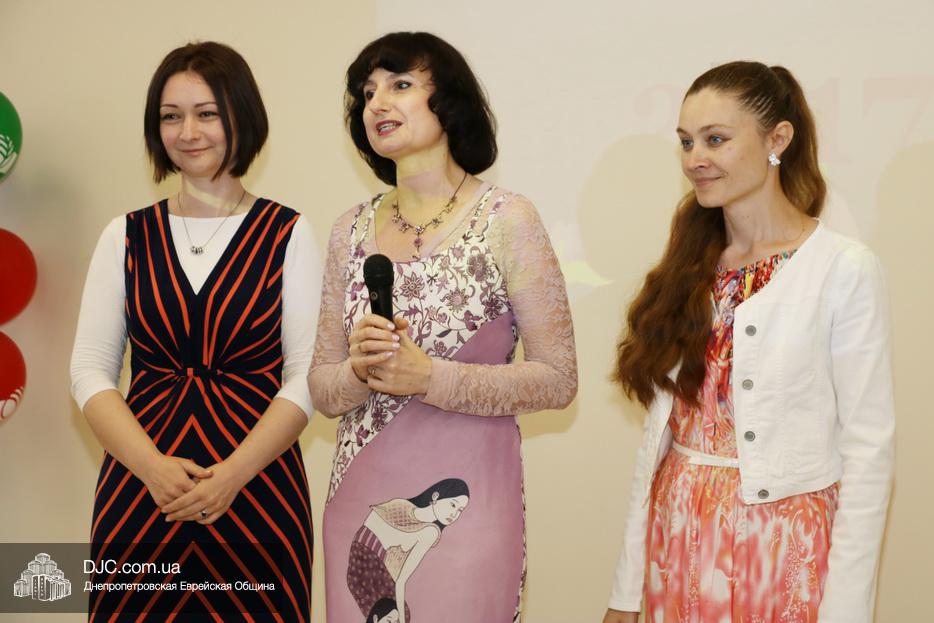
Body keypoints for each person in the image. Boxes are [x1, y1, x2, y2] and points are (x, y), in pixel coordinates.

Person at [603, 61, 894, 623]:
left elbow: (869, 453)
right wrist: (626, 592)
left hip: (784, 550)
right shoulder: (688, 267)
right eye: (686, 142)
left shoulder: (843, 268)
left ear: (777, 139)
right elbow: (656, 444)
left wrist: (847, 612)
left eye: (716, 139)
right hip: (678, 537)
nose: (695, 158)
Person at [308, 31, 577, 623]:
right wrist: (359, 371)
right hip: (361, 503)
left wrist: (430, 377)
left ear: (448, 100)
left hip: (467, 506)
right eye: (367, 93)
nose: (377, 103)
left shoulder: (507, 219)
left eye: (400, 85)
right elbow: (324, 390)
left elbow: (558, 379)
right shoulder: (349, 229)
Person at [70, 42, 318, 621]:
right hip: (141, 493)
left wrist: (233, 475)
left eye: (207, 113)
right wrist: (152, 468)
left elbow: (306, 375)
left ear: (241, 117)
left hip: (258, 492)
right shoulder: (124, 235)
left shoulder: (289, 232)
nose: (188, 132)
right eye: (170, 116)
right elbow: (88, 372)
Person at [348, 479, 469, 620]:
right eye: (453, 504)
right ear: (435, 496)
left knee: (396, 614)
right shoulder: (414, 518)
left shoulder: (426, 528)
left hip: (360, 566)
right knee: (397, 614)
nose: (454, 514)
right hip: (365, 565)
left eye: (460, 510)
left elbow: (399, 578)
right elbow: (400, 581)